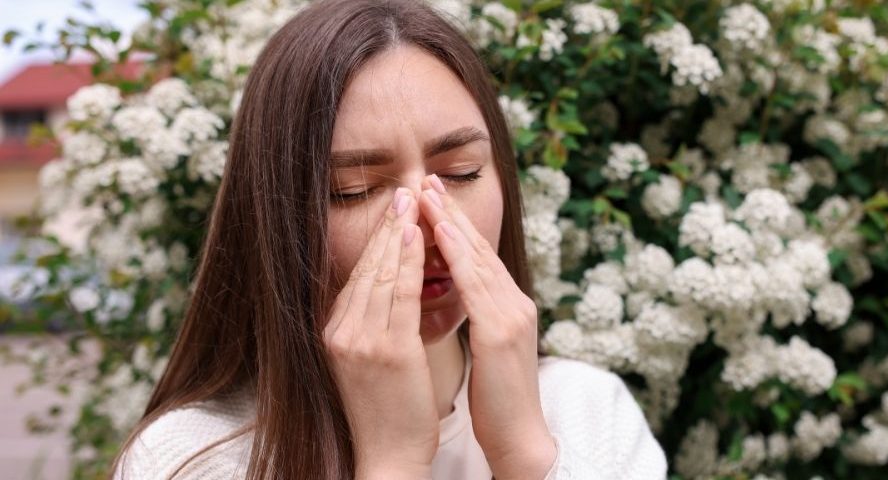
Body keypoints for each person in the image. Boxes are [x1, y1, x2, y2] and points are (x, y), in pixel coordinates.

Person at [111, 0, 667, 478]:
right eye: (353, 190)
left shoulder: (589, 410)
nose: (424, 222)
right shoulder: (190, 456)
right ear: (278, 216)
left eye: (462, 173)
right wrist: (392, 462)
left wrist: (524, 454)